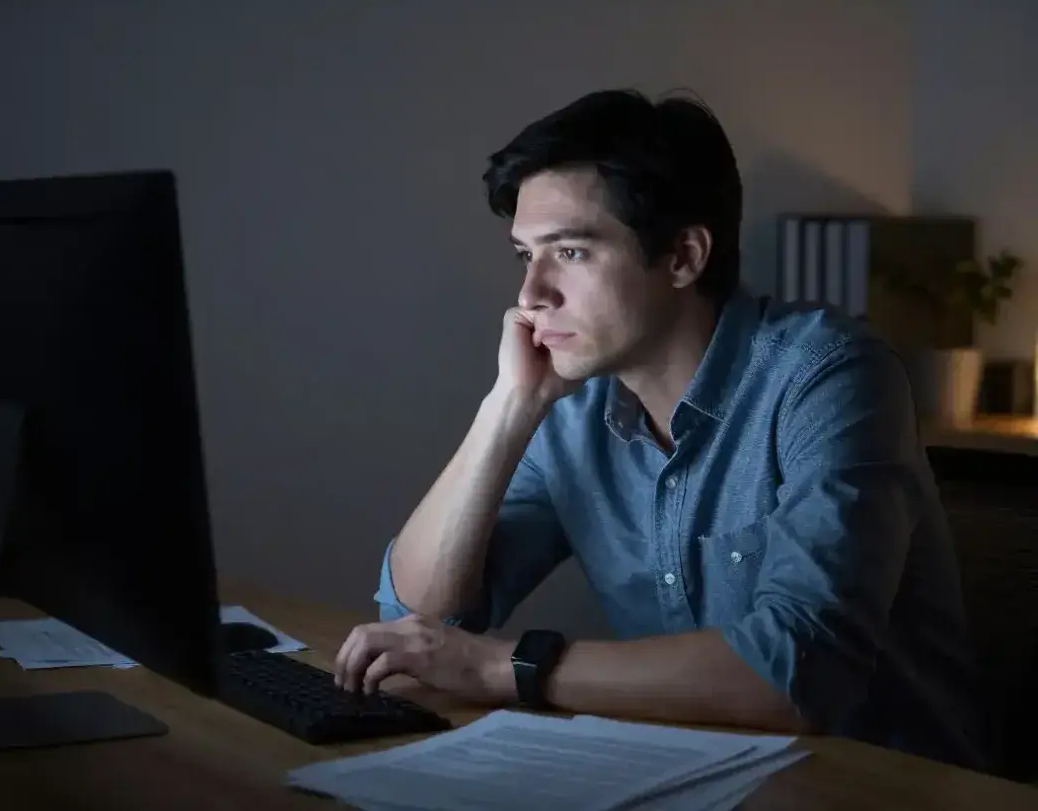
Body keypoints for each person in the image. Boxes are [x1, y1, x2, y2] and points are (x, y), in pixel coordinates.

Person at [333, 88, 985, 769]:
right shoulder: (572, 408)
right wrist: (507, 408)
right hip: (696, 776)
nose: (531, 296)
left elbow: (799, 669)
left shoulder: (830, 377)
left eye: (572, 253)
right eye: (526, 255)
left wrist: (507, 669)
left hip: (883, 787)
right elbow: (418, 615)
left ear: (683, 256)